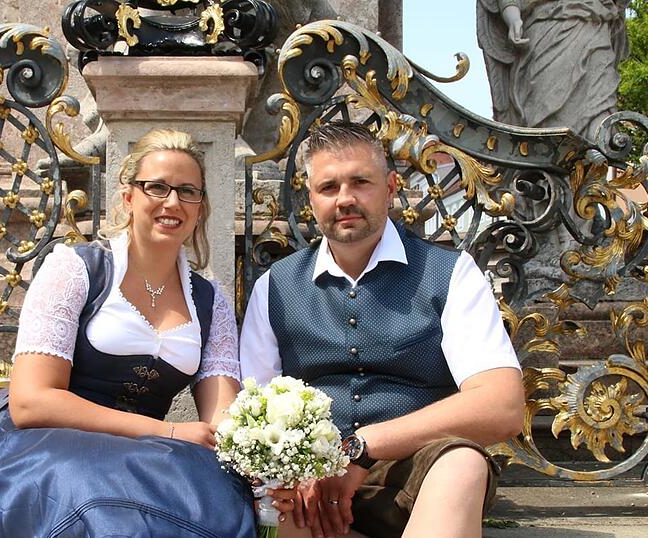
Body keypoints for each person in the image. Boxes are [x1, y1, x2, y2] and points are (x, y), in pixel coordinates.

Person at [0, 129, 293, 537]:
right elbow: (31, 402)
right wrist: (169, 432)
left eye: (188, 191)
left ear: (201, 207)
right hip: (42, 441)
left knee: (219, 499)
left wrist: (257, 456)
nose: (172, 202)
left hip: (138, 453)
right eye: (157, 187)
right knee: (102, 509)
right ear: (129, 197)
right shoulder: (77, 269)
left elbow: (221, 415)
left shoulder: (208, 298)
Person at [239, 121, 525, 538]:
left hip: (418, 473)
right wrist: (295, 475)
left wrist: (361, 448)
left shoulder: (450, 273)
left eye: (361, 182)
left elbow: (501, 406)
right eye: (329, 187)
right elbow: (254, 414)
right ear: (310, 199)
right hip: (313, 488)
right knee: (277, 503)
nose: (346, 199)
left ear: (391, 187)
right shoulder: (274, 287)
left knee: (462, 464)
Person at [476, 0, 628, 139]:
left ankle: (596, 162)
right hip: (547, 29)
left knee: (599, 114)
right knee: (547, 122)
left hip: (595, 29)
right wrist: (512, 16)